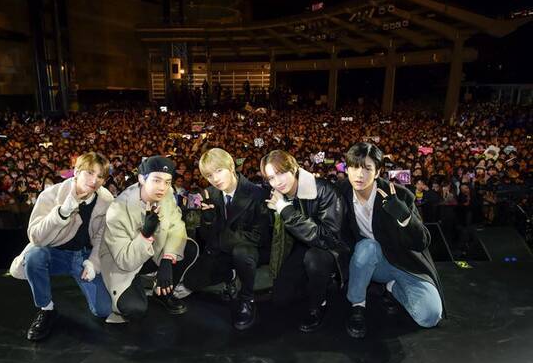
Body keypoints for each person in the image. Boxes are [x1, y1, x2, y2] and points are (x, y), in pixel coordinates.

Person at [338, 142, 444, 338]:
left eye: (367, 168)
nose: (359, 174)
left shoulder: (400, 195)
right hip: (370, 259)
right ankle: (358, 305)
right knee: (367, 247)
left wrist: (405, 217)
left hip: (403, 262)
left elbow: (421, 242)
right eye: (354, 167)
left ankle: (391, 287)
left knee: (429, 316)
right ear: (347, 169)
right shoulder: (341, 192)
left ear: (378, 172)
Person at [9, 152, 114, 341]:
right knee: (34, 256)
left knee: (103, 310)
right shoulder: (51, 195)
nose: (94, 180)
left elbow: (102, 237)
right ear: (76, 172)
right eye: (90, 173)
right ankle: (47, 309)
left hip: (82, 257)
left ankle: (84, 274)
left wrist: (93, 262)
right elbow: (36, 237)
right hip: (53, 253)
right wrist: (62, 212)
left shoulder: (106, 201)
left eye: (100, 176)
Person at [100, 156, 198, 323]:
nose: (162, 187)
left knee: (188, 247)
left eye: (167, 182)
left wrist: (167, 259)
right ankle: (134, 284)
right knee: (134, 308)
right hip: (122, 261)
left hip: (152, 252)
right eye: (156, 180)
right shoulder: (118, 209)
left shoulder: (167, 193)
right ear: (141, 179)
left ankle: (164, 292)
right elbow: (124, 261)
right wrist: (145, 235)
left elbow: (176, 226)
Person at [182, 148, 270, 330]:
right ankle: (231, 275)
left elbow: (259, 237)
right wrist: (208, 221)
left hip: (249, 250)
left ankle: (247, 299)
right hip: (221, 251)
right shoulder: (209, 194)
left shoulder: (257, 194)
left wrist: (220, 239)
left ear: (231, 166)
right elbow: (206, 237)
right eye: (209, 175)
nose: (215, 179)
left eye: (219, 171)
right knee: (192, 281)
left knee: (242, 252)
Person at [261, 150, 349, 332]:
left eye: (281, 173)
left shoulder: (325, 190)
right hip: (304, 246)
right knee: (280, 298)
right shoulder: (280, 195)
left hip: (332, 250)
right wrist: (273, 213)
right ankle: (317, 282)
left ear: (293, 168)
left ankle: (318, 304)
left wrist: (285, 210)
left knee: (314, 259)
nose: (277, 182)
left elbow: (329, 238)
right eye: (271, 178)